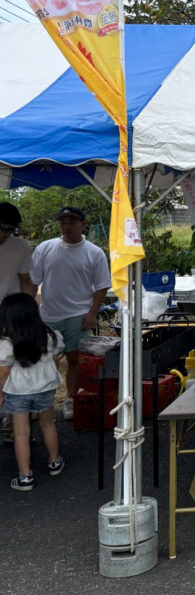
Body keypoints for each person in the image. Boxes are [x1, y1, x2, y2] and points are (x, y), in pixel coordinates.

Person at [29, 206, 110, 420]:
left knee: (76, 360)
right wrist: (29, 310)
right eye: (63, 222)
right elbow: (33, 281)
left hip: (79, 315)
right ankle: (44, 402)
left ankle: (70, 400)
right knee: (47, 360)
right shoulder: (45, 248)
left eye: (72, 222)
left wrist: (93, 313)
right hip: (48, 315)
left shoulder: (94, 252)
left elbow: (102, 286)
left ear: (83, 224)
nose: (67, 226)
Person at [0, 292, 66, 490]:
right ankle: (54, 462)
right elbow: (55, 361)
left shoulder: (7, 343)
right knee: (48, 425)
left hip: (17, 392)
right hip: (45, 388)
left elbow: (3, 372)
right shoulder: (50, 335)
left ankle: (25, 476)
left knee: (21, 434)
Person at [0, 203, 33, 301]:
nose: (4, 234)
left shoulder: (21, 246)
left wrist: (29, 304)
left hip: (10, 307)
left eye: (10, 230)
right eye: (2, 229)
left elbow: (25, 280)